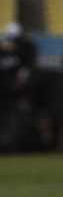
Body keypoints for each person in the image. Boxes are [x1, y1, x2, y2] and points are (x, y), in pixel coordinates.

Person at [0, 20, 37, 151]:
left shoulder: (25, 53)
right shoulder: (4, 52)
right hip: (5, 93)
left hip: (16, 94)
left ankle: (14, 144)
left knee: (18, 117)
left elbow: (26, 71)